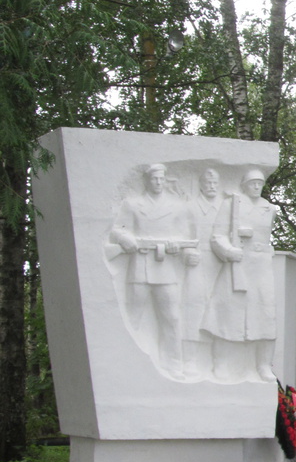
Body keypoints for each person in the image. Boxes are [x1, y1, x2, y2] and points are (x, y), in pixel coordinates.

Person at [109, 163, 196, 375]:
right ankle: (124, 361)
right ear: (147, 181)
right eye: (154, 179)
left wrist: (177, 246)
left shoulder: (177, 207)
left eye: (162, 179)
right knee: (133, 316)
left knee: (172, 317)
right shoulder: (132, 204)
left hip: (165, 269)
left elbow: (186, 238)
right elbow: (115, 230)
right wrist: (126, 238)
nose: (158, 183)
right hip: (140, 266)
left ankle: (173, 363)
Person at [201, 168, 278, 383]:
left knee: (265, 316)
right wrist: (228, 251)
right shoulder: (231, 204)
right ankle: (221, 364)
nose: (256, 187)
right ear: (244, 184)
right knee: (227, 315)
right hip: (237, 265)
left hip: (261, 268)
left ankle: (263, 365)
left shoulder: (268, 208)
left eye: (259, 183)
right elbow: (217, 235)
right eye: (252, 182)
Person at [181, 168, 224, 377]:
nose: (212, 187)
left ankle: (216, 362)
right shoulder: (190, 207)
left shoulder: (226, 207)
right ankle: (189, 360)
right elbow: (180, 234)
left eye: (215, 183)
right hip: (196, 264)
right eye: (208, 183)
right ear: (201, 185)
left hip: (219, 264)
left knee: (216, 312)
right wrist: (187, 252)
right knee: (192, 310)